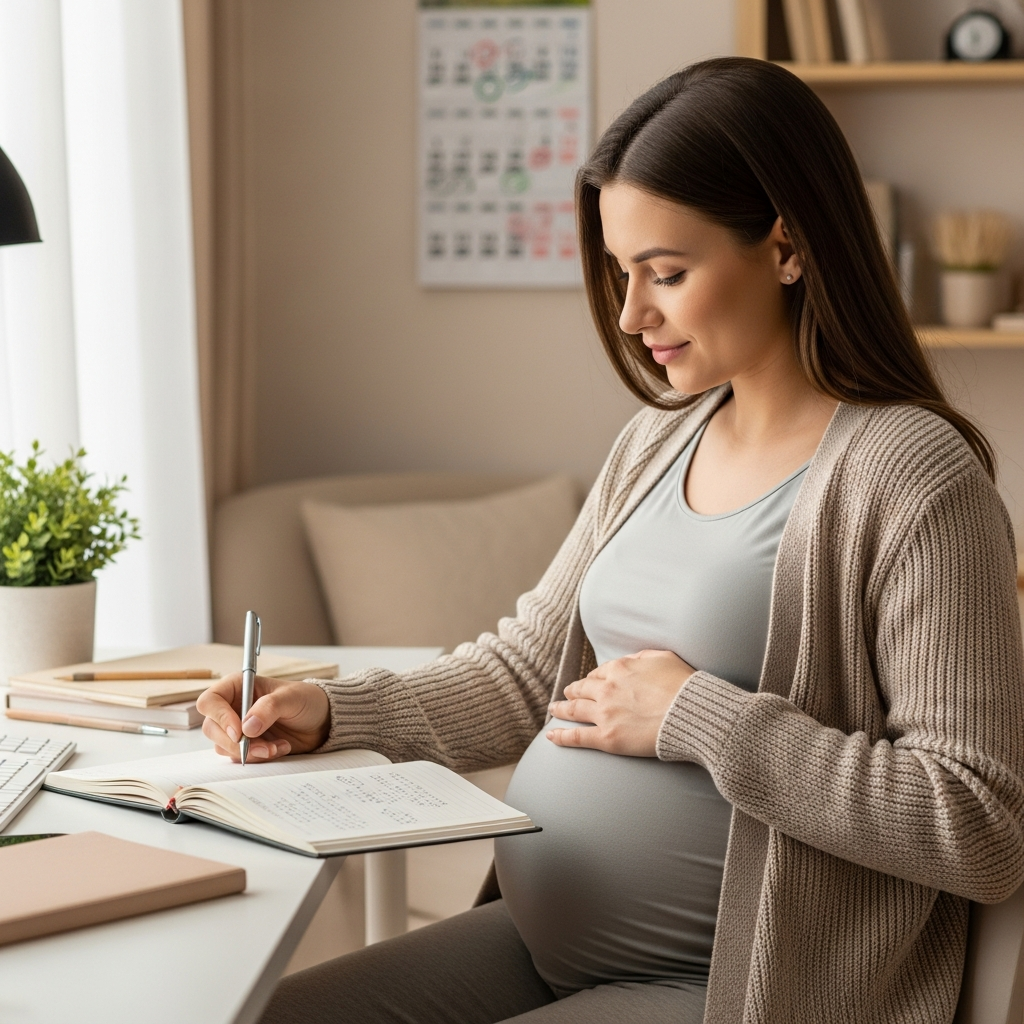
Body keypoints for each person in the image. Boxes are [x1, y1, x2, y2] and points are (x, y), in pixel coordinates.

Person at [198, 57, 1024, 1024]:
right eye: (620, 273)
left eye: (667, 274)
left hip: (742, 985)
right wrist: (336, 714)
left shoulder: (913, 477)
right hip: (541, 946)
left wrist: (702, 720)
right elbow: (521, 675)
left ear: (787, 247)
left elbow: (978, 823)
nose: (632, 317)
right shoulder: (659, 436)